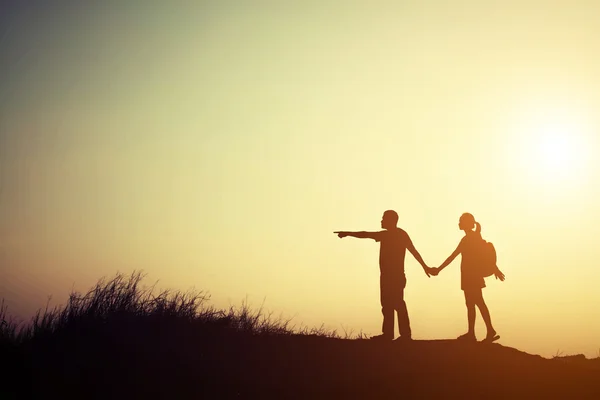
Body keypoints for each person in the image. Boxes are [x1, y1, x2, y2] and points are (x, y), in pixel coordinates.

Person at [334, 210, 432, 341]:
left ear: (391, 220)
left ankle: (404, 335)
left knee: (397, 304)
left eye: (383, 218)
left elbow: (366, 234)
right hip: (387, 277)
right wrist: (424, 266)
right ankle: (389, 334)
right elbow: (367, 234)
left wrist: (348, 233)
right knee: (387, 305)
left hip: (395, 277)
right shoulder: (394, 234)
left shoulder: (394, 235)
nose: (381, 221)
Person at [430, 213, 505, 342]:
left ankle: (484, 331)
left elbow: (452, 256)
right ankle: (474, 332)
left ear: (466, 223)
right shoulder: (474, 237)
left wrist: (439, 269)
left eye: (460, 221)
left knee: (477, 303)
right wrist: (495, 269)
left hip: (471, 276)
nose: (458, 223)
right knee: (473, 303)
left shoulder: (469, 239)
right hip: (470, 275)